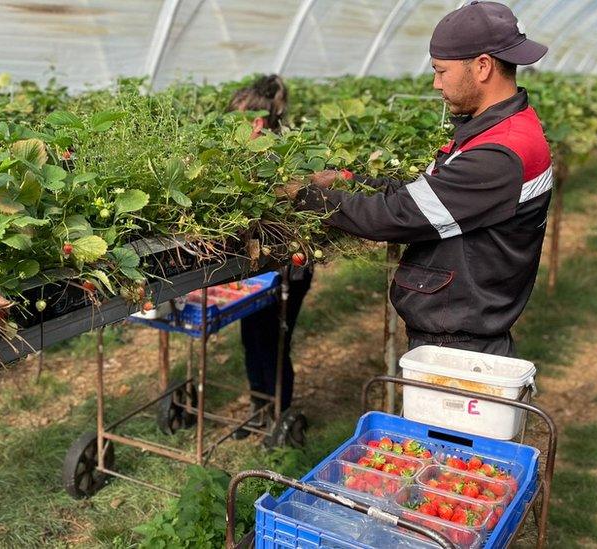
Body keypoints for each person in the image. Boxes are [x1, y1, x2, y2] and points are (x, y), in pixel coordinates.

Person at [283, 1, 551, 358]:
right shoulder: (499, 131)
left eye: (442, 71)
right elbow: (425, 196)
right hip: (464, 330)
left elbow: (399, 215)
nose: (435, 83)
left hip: (459, 343)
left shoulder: (500, 153)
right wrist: (346, 179)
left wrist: (304, 196)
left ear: (483, 66)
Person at [226, 75, 312, 435]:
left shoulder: (284, 158)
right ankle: (259, 408)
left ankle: (280, 415)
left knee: (275, 341)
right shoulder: (244, 158)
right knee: (252, 337)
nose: (232, 131)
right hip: (256, 270)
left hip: (287, 271)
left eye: (237, 122)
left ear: (257, 122)